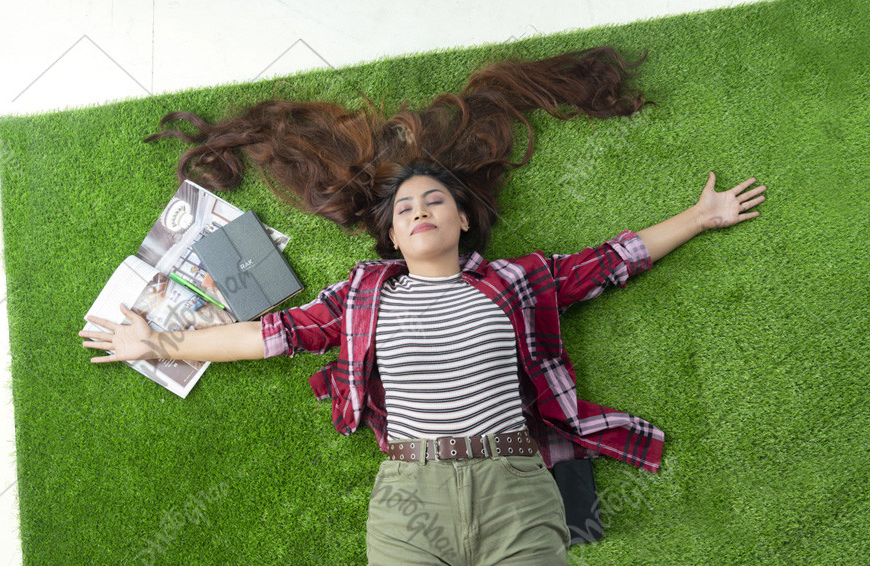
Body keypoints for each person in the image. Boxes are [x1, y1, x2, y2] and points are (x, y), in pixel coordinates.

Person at [78, 45, 766, 565]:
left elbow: (611, 261)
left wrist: (699, 218)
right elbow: (268, 337)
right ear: (394, 233)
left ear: (463, 220)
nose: (420, 209)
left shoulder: (517, 280)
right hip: (412, 495)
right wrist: (157, 344)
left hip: (516, 485)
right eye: (406, 206)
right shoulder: (362, 294)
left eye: (435, 199)